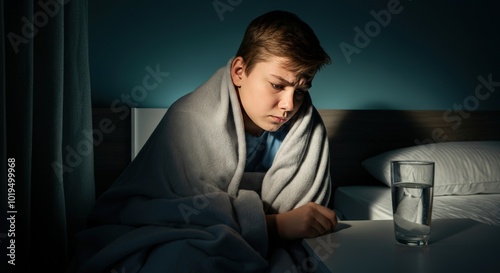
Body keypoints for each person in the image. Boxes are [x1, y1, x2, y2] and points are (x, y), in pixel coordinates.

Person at [72, 10, 336, 273]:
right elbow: (174, 215)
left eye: (300, 91)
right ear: (239, 71)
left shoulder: (308, 131)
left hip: (264, 245)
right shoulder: (189, 119)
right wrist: (277, 225)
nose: (289, 105)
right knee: (182, 259)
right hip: (176, 235)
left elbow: (306, 218)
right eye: (277, 86)